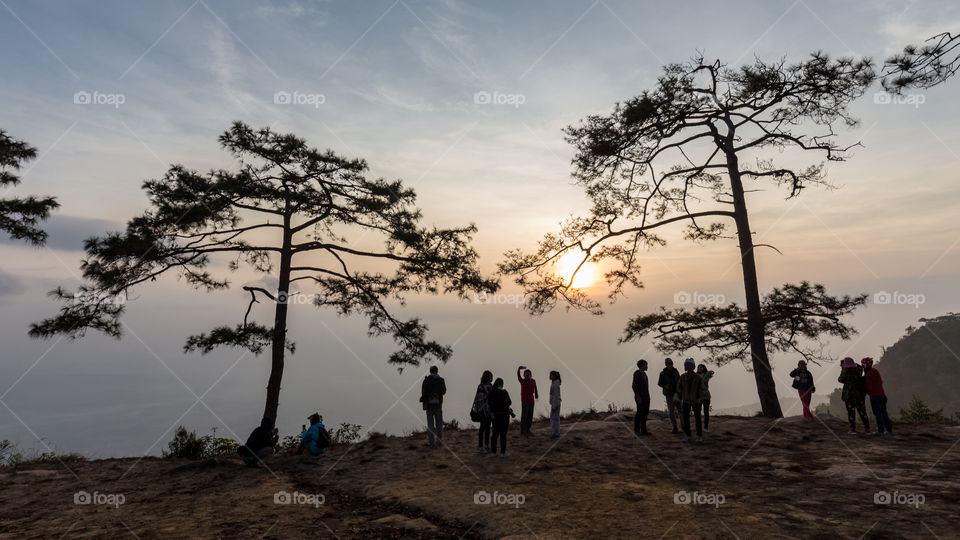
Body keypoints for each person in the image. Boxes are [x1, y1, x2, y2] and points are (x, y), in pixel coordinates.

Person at [862, 357, 894, 436]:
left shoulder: (868, 374)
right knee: (884, 413)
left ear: (867, 365)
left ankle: (881, 431)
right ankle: (889, 431)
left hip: (874, 397)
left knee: (878, 414)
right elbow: (881, 382)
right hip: (882, 395)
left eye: (863, 364)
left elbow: (869, 387)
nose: (862, 365)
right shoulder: (875, 371)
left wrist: (864, 390)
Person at [838, 357, 870, 435]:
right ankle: (867, 429)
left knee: (851, 413)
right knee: (862, 412)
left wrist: (842, 369)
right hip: (859, 396)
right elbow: (859, 367)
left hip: (849, 396)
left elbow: (840, 379)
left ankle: (853, 429)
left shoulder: (846, 373)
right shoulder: (859, 370)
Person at [678, 358, 705, 442]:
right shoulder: (683, 376)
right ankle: (688, 435)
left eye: (689, 365)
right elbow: (679, 387)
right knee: (686, 418)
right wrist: (681, 395)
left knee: (697, 419)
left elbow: (702, 388)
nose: (687, 366)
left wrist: (698, 396)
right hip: (686, 400)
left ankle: (699, 436)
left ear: (693, 367)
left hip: (695, 401)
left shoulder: (698, 377)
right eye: (686, 365)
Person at [420, 366, 447, 447]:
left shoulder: (426, 380)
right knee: (439, 424)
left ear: (430, 371)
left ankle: (431, 443)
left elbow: (423, 393)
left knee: (430, 425)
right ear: (437, 371)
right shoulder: (441, 380)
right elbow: (444, 391)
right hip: (438, 405)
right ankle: (440, 441)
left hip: (429, 405)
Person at [488, 377, 513, 457]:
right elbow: (509, 402)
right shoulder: (504, 391)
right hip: (504, 415)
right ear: (501, 384)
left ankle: (493, 452)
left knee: (495, 434)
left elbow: (489, 402)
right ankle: (503, 452)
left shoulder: (491, 392)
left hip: (495, 416)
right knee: (503, 435)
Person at [472, 370, 494, 453]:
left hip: (489, 410)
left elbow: (492, 395)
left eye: (491, 377)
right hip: (481, 410)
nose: (491, 378)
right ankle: (481, 446)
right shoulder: (480, 386)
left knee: (488, 428)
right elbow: (479, 398)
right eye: (490, 377)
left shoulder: (491, 386)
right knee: (482, 428)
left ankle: (487, 445)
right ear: (486, 377)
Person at [657, 358, 681, 433]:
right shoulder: (663, 373)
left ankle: (683, 426)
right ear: (666, 365)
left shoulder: (676, 371)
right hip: (669, 394)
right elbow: (660, 383)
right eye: (668, 364)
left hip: (677, 393)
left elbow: (679, 381)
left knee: (680, 410)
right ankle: (674, 426)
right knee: (671, 411)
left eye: (670, 364)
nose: (669, 365)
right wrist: (665, 386)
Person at [517, 366, 539, 437]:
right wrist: (518, 369)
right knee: (525, 416)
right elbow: (519, 377)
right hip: (525, 400)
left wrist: (536, 395)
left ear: (531, 375)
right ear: (524, 375)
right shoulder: (522, 381)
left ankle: (528, 430)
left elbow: (535, 388)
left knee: (530, 416)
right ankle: (523, 431)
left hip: (531, 400)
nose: (527, 375)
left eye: (528, 374)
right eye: (526, 374)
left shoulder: (533, 380)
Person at [632, 359, 651, 436]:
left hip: (646, 397)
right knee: (639, 413)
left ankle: (644, 430)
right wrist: (638, 396)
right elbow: (634, 385)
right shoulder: (637, 373)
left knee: (645, 414)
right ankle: (637, 429)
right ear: (642, 365)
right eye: (646, 365)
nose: (647, 366)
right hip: (640, 397)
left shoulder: (644, 374)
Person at [696, 364, 715, 433]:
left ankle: (706, 427)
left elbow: (704, 380)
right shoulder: (695, 375)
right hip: (698, 396)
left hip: (706, 396)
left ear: (703, 368)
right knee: (697, 412)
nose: (699, 369)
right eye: (698, 368)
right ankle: (698, 426)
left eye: (701, 367)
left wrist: (709, 372)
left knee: (706, 412)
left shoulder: (706, 375)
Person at [548, 371, 562, 439]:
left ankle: (556, 433)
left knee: (554, 419)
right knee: (555, 418)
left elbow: (555, 396)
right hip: (555, 403)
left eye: (551, 375)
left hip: (555, 403)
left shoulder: (555, 384)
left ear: (554, 376)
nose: (549, 376)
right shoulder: (554, 383)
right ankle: (556, 433)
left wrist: (554, 406)